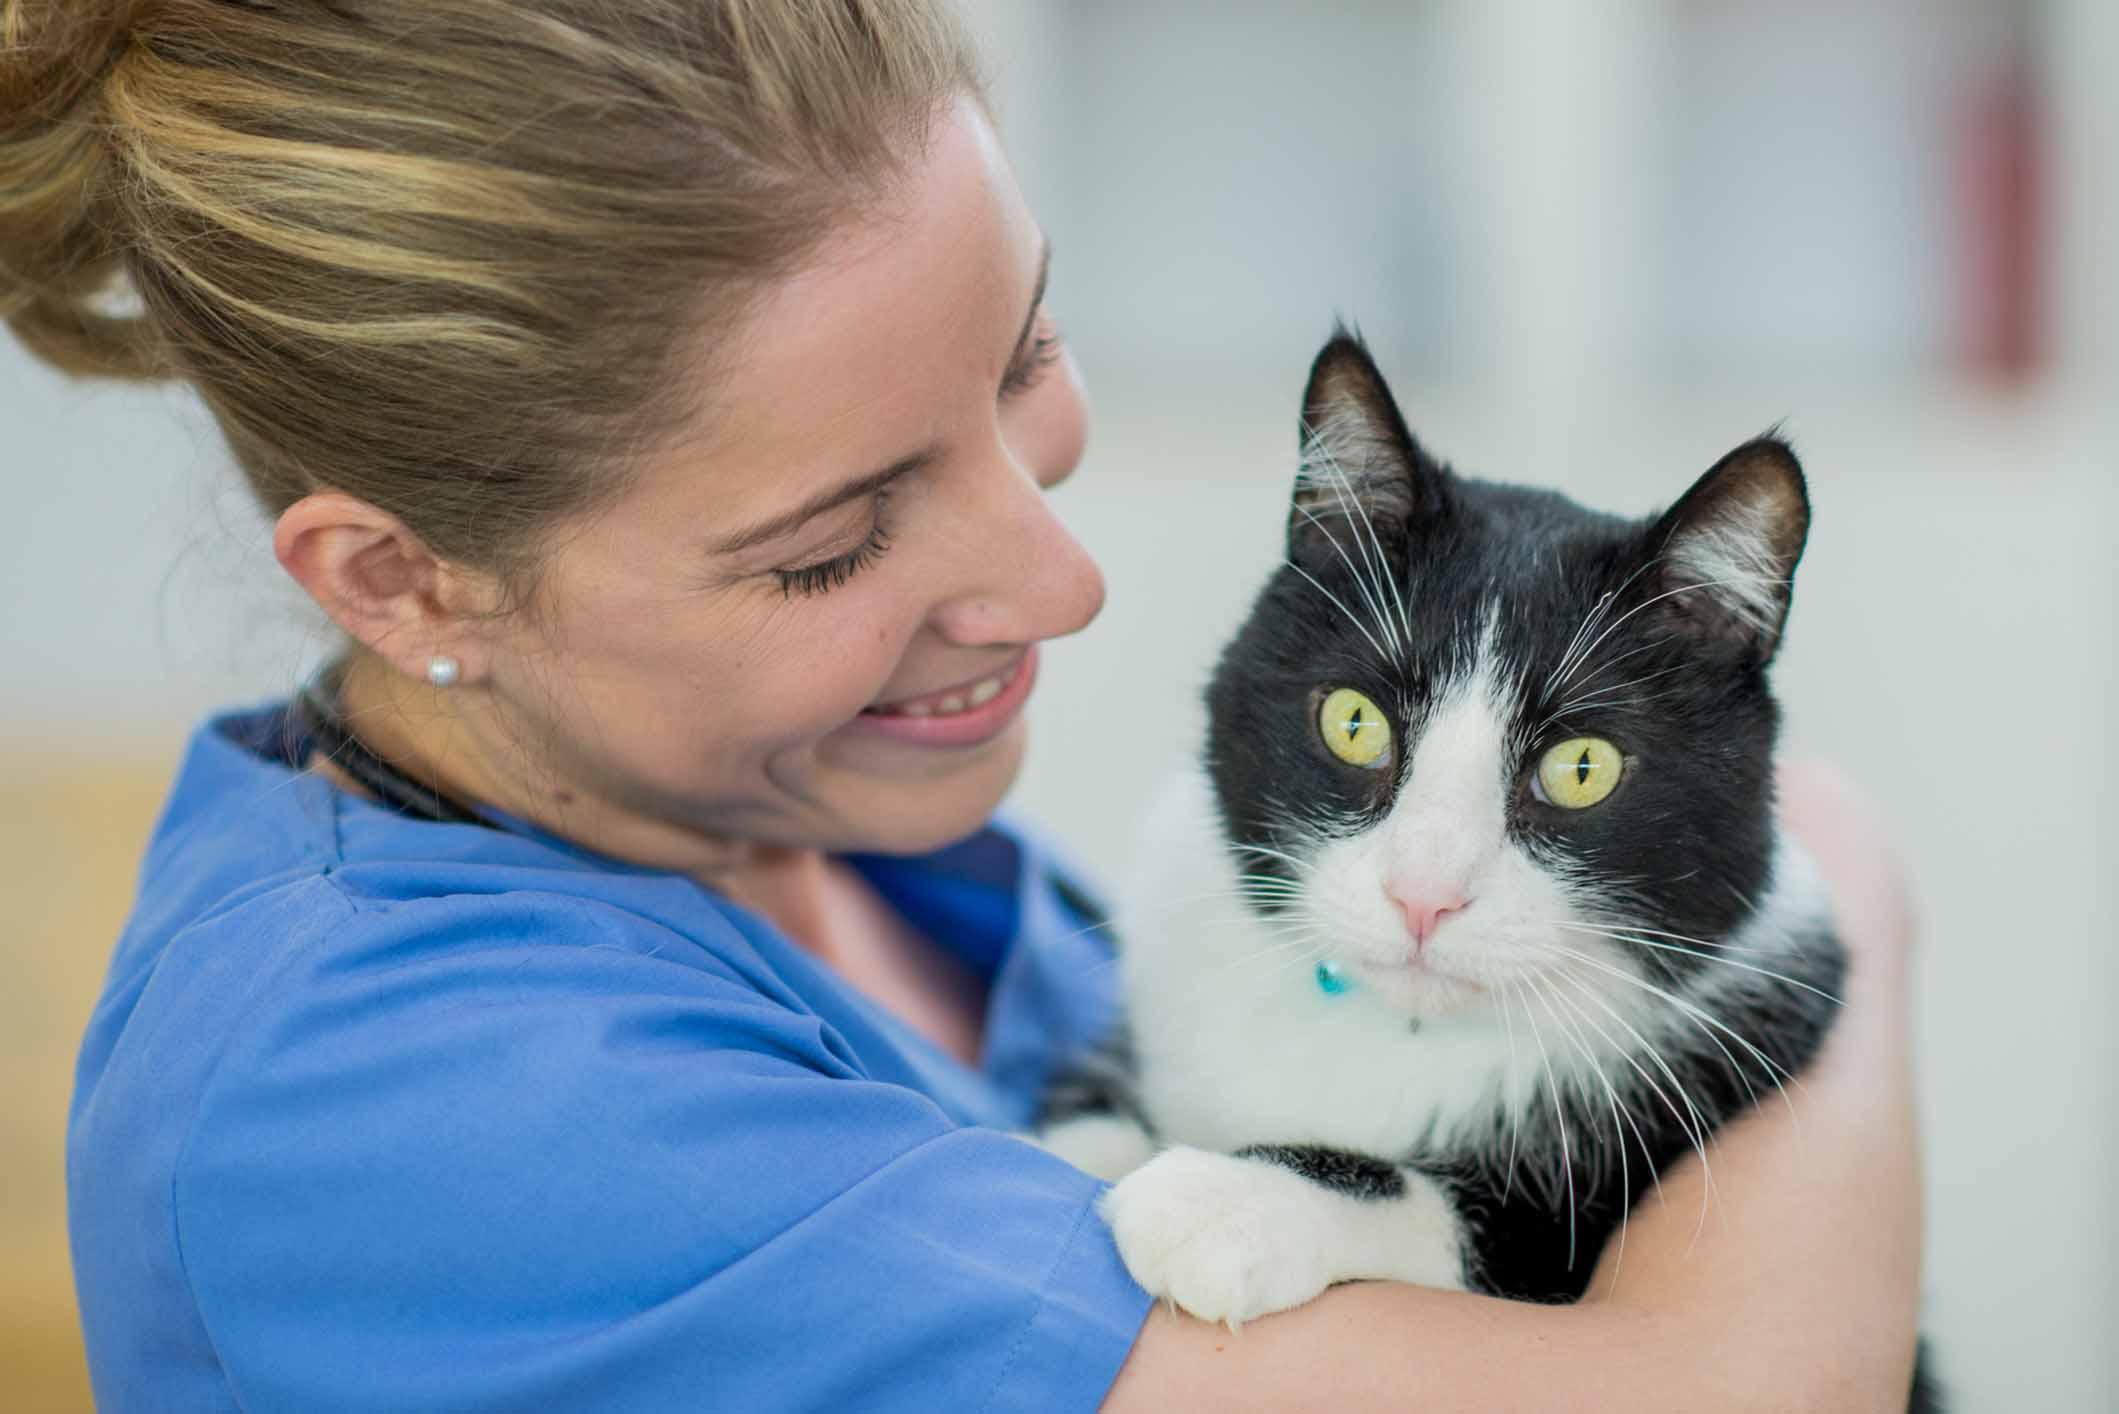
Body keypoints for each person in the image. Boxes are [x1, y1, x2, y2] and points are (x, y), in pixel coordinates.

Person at [6, 2, 1924, 1409]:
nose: (1062, 583)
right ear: (404, 579)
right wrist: (1847, 898)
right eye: (836, 539)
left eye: (1023, 358)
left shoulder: (813, 816)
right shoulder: (412, 1108)